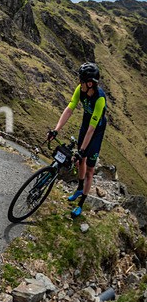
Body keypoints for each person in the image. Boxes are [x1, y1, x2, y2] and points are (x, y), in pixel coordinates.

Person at [47, 62, 107, 218]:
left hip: (96, 131)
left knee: (89, 170)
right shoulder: (80, 90)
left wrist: (81, 150)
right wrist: (56, 130)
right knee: (80, 161)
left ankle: (81, 204)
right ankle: (79, 188)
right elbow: (69, 108)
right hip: (85, 126)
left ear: (90, 83)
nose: (79, 83)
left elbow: (92, 129)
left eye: (81, 80)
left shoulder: (100, 99)